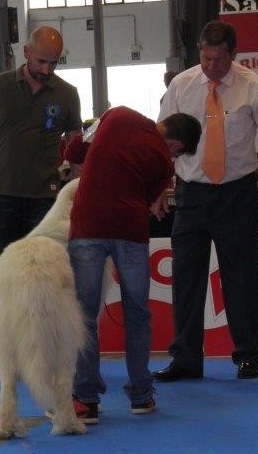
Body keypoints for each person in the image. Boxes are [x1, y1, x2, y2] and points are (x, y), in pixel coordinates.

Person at [154, 20, 258, 381]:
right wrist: (156, 186)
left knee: (242, 277)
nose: (211, 66)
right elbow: (161, 139)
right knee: (186, 278)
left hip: (237, 192)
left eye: (219, 59)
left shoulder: (255, 88)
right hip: (191, 192)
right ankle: (185, 358)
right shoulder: (182, 86)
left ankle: (248, 354)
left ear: (234, 54)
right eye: (205, 57)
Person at [0, 26, 84, 379]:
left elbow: (78, 148)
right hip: (1, 199)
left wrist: (79, 192)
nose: (47, 69)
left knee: (47, 279)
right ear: (26, 52)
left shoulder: (68, 94)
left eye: (54, 63)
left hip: (47, 203)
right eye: (41, 61)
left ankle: (48, 353)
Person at [68, 106, 201, 423]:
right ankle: (141, 396)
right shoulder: (164, 163)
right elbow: (148, 198)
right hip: (129, 231)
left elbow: (75, 151)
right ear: (176, 144)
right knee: (137, 313)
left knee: (84, 314)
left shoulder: (117, 115)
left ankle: (86, 400)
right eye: (178, 152)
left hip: (88, 225)